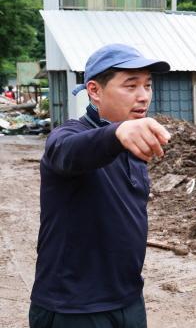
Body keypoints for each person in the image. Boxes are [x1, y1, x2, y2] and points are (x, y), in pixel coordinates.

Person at [29, 44, 171, 328]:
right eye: (131, 86)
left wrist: (122, 134)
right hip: (74, 308)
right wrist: (117, 133)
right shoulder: (71, 135)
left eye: (147, 85)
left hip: (128, 300)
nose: (143, 96)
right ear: (94, 91)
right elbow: (67, 151)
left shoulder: (133, 142)